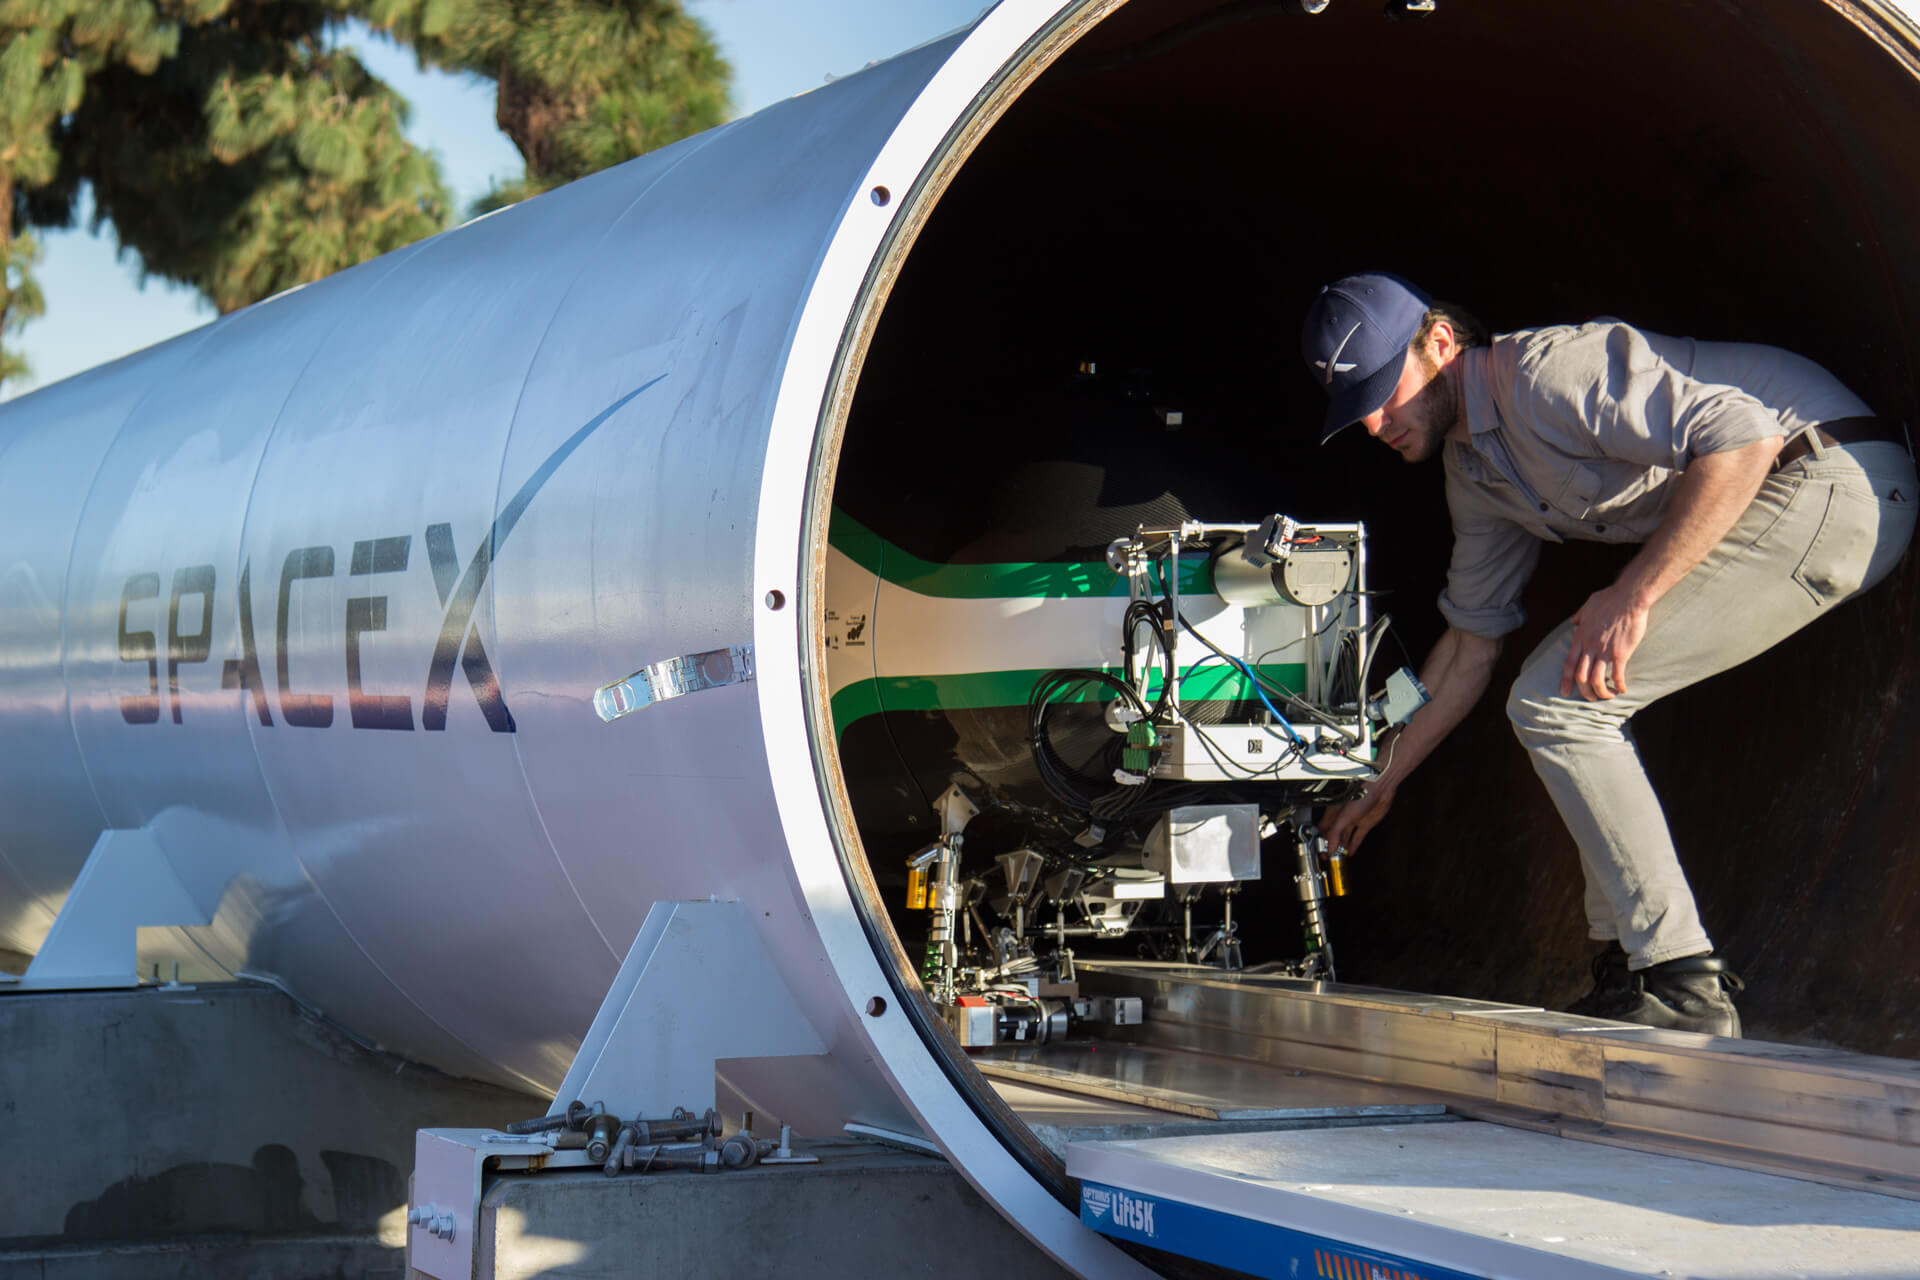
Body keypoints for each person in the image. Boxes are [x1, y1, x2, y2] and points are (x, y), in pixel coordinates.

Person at [1301, 272, 1917, 1036]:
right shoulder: (1476, 474)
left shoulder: (1545, 370)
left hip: (1831, 476)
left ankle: (1681, 979)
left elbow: (1746, 438)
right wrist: (1379, 776)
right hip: (1795, 495)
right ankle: (1629, 973)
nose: (1373, 424)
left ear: (1440, 342)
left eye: (1383, 392)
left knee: (1553, 702)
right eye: (1354, 409)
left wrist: (1633, 593)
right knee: (1563, 700)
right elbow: (1469, 646)